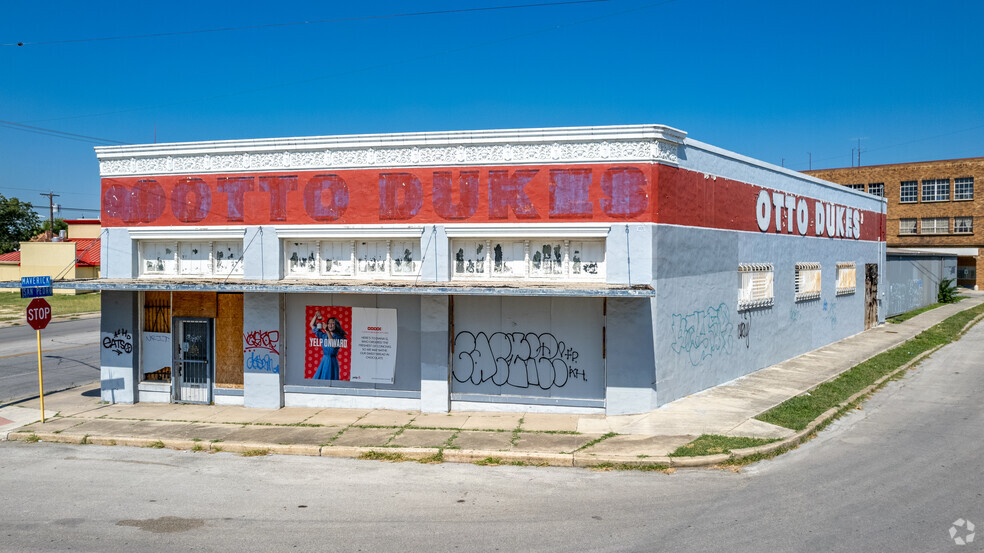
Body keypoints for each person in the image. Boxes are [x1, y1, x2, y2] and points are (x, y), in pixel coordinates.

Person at [309, 312, 347, 380]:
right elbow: (312, 325)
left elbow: (334, 345)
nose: (330, 325)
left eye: (333, 323)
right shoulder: (324, 335)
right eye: (329, 323)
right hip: (324, 360)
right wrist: (315, 316)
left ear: (336, 325)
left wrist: (327, 330)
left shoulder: (338, 337)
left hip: (332, 361)